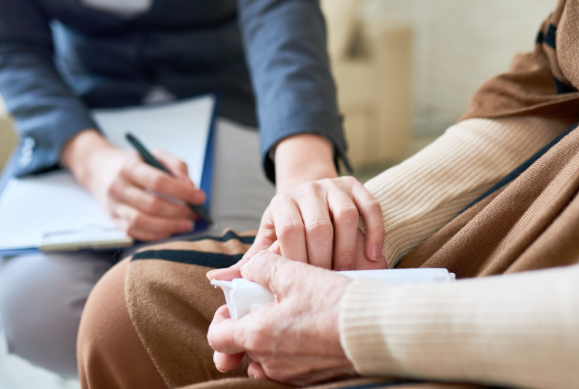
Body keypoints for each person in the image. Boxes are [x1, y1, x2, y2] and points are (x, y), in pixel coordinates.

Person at [76, 0, 579, 387]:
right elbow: (546, 86)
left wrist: (363, 324)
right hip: (541, 194)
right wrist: (357, 227)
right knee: (123, 312)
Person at [0, 0, 385, 378]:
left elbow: (280, 13)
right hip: (81, 120)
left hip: (229, 102)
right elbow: (13, 47)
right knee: (36, 312)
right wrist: (92, 161)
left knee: (207, 301)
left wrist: (304, 168)